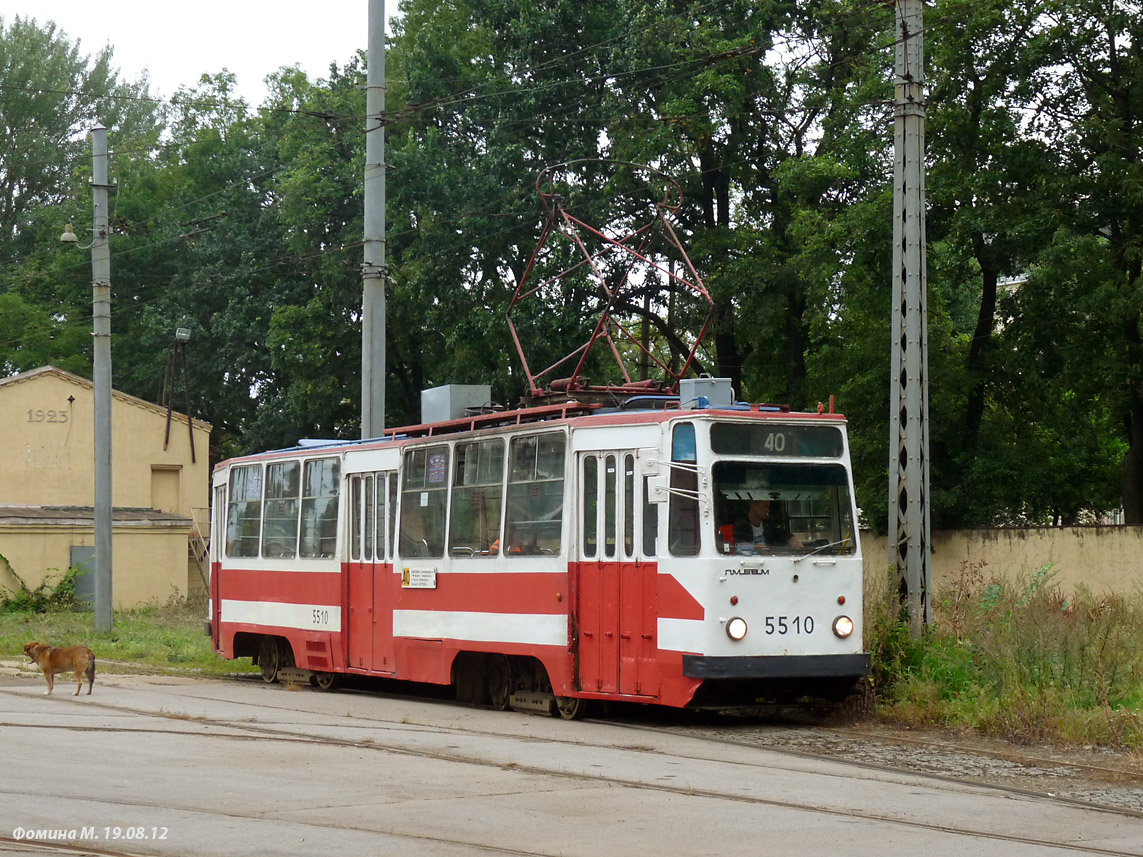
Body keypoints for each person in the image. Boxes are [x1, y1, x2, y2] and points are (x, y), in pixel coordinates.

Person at [733, 499, 803, 548]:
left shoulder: (770, 525)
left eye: (768, 507)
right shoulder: (740, 526)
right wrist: (756, 547)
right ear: (754, 505)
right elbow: (736, 544)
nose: (768, 510)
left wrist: (795, 542)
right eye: (765, 506)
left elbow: (784, 535)